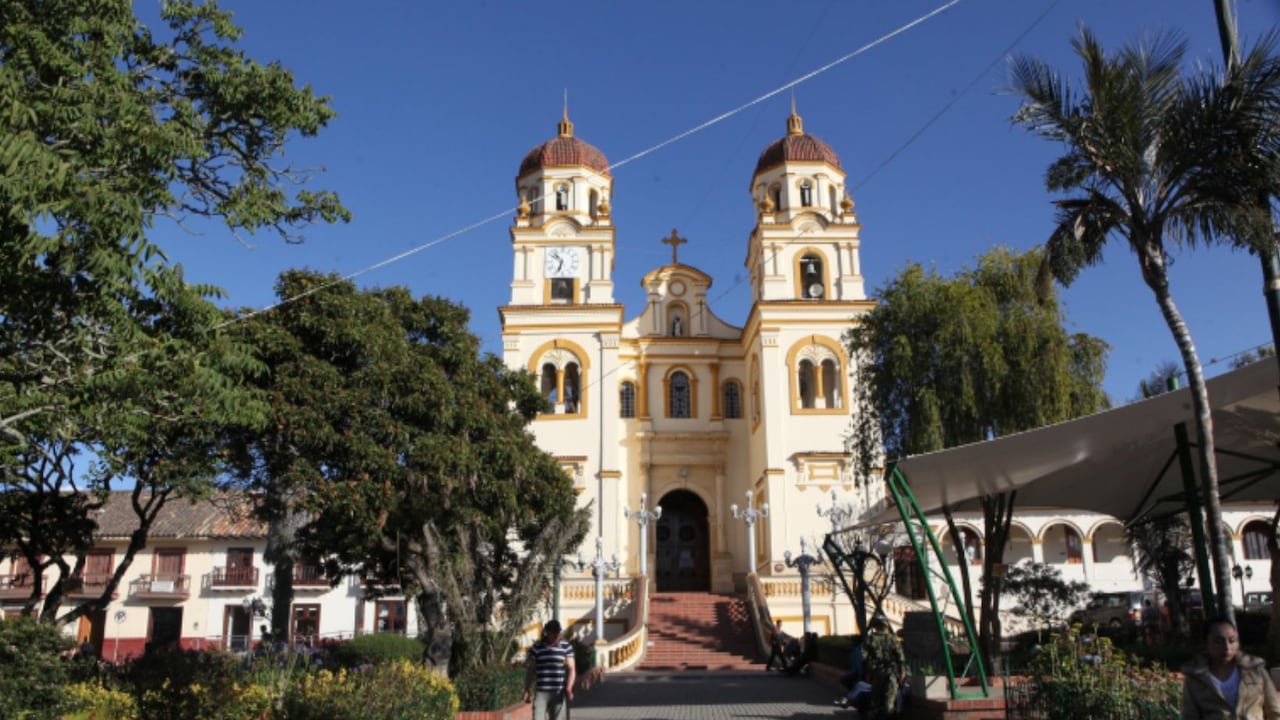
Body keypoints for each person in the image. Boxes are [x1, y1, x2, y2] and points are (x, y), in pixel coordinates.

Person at [1183, 617, 1280, 719]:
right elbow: (1190, 716)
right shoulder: (1195, 679)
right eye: (1218, 641)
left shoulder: (1255, 670)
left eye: (1232, 640)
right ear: (1206, 643)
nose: (1227, 647)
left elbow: (1275, 711)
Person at [524, 619, 575, 720]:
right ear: (547, 632)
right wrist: (527, 689)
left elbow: (572, 669)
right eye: (553, 633)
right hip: (541, 693)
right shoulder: (537, 647)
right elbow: (531, 670)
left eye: (558, 632)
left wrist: (569, 688)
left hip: (558, 692)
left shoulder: (566, 646)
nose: (556, 635)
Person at [862, 617, 907, 719]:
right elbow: (901, 658)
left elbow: (863, 657)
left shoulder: (869, 639)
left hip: (876, 673)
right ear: (885, 626)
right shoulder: (892, 639)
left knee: (876, 699)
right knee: (889, 699)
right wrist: (902, 672)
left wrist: (869, 671)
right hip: (891, 673)